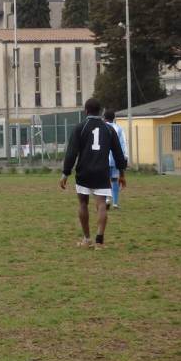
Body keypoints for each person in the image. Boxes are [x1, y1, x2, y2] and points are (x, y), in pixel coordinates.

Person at [60, 98, 127, 249]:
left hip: (83, 172)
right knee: (102, 205)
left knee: (83, 203)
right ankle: (99, 241)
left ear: (86, 111)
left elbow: (71, 153)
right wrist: (121, 173)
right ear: (101, 111)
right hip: (101, 172)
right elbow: (118, 153)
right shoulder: (109, 129)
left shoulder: (80, 128)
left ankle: (87, 239)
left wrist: (65, 174)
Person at [104, 109, 129, 210]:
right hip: (115, 159)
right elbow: (123, 144)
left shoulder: (102, 128)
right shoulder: (119, 129)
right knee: (114, 180)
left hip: (104, 159)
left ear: (104, 118)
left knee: (105, 180)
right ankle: (115, 203)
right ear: (114, 118)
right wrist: (125, 158)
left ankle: (107, 199)